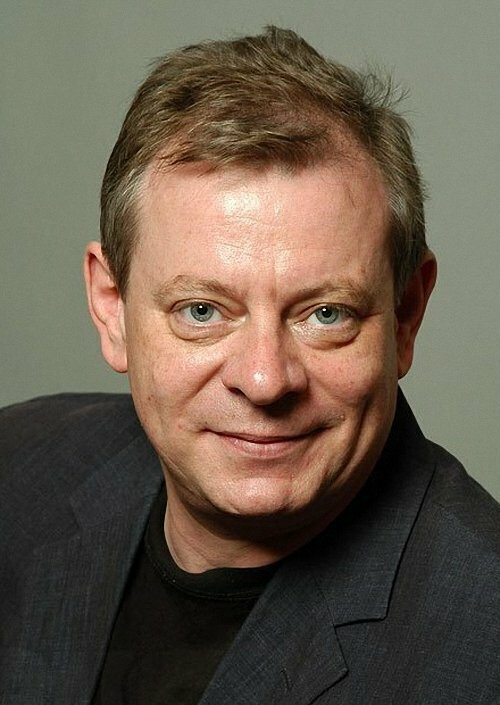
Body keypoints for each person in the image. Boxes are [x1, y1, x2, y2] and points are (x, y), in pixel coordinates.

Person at [0, 26, 498, 705]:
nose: (265, 381)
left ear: (406, 314)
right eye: (202, 310)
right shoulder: (17, 472)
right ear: (111, 307)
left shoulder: (482, 634)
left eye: (326, 314)